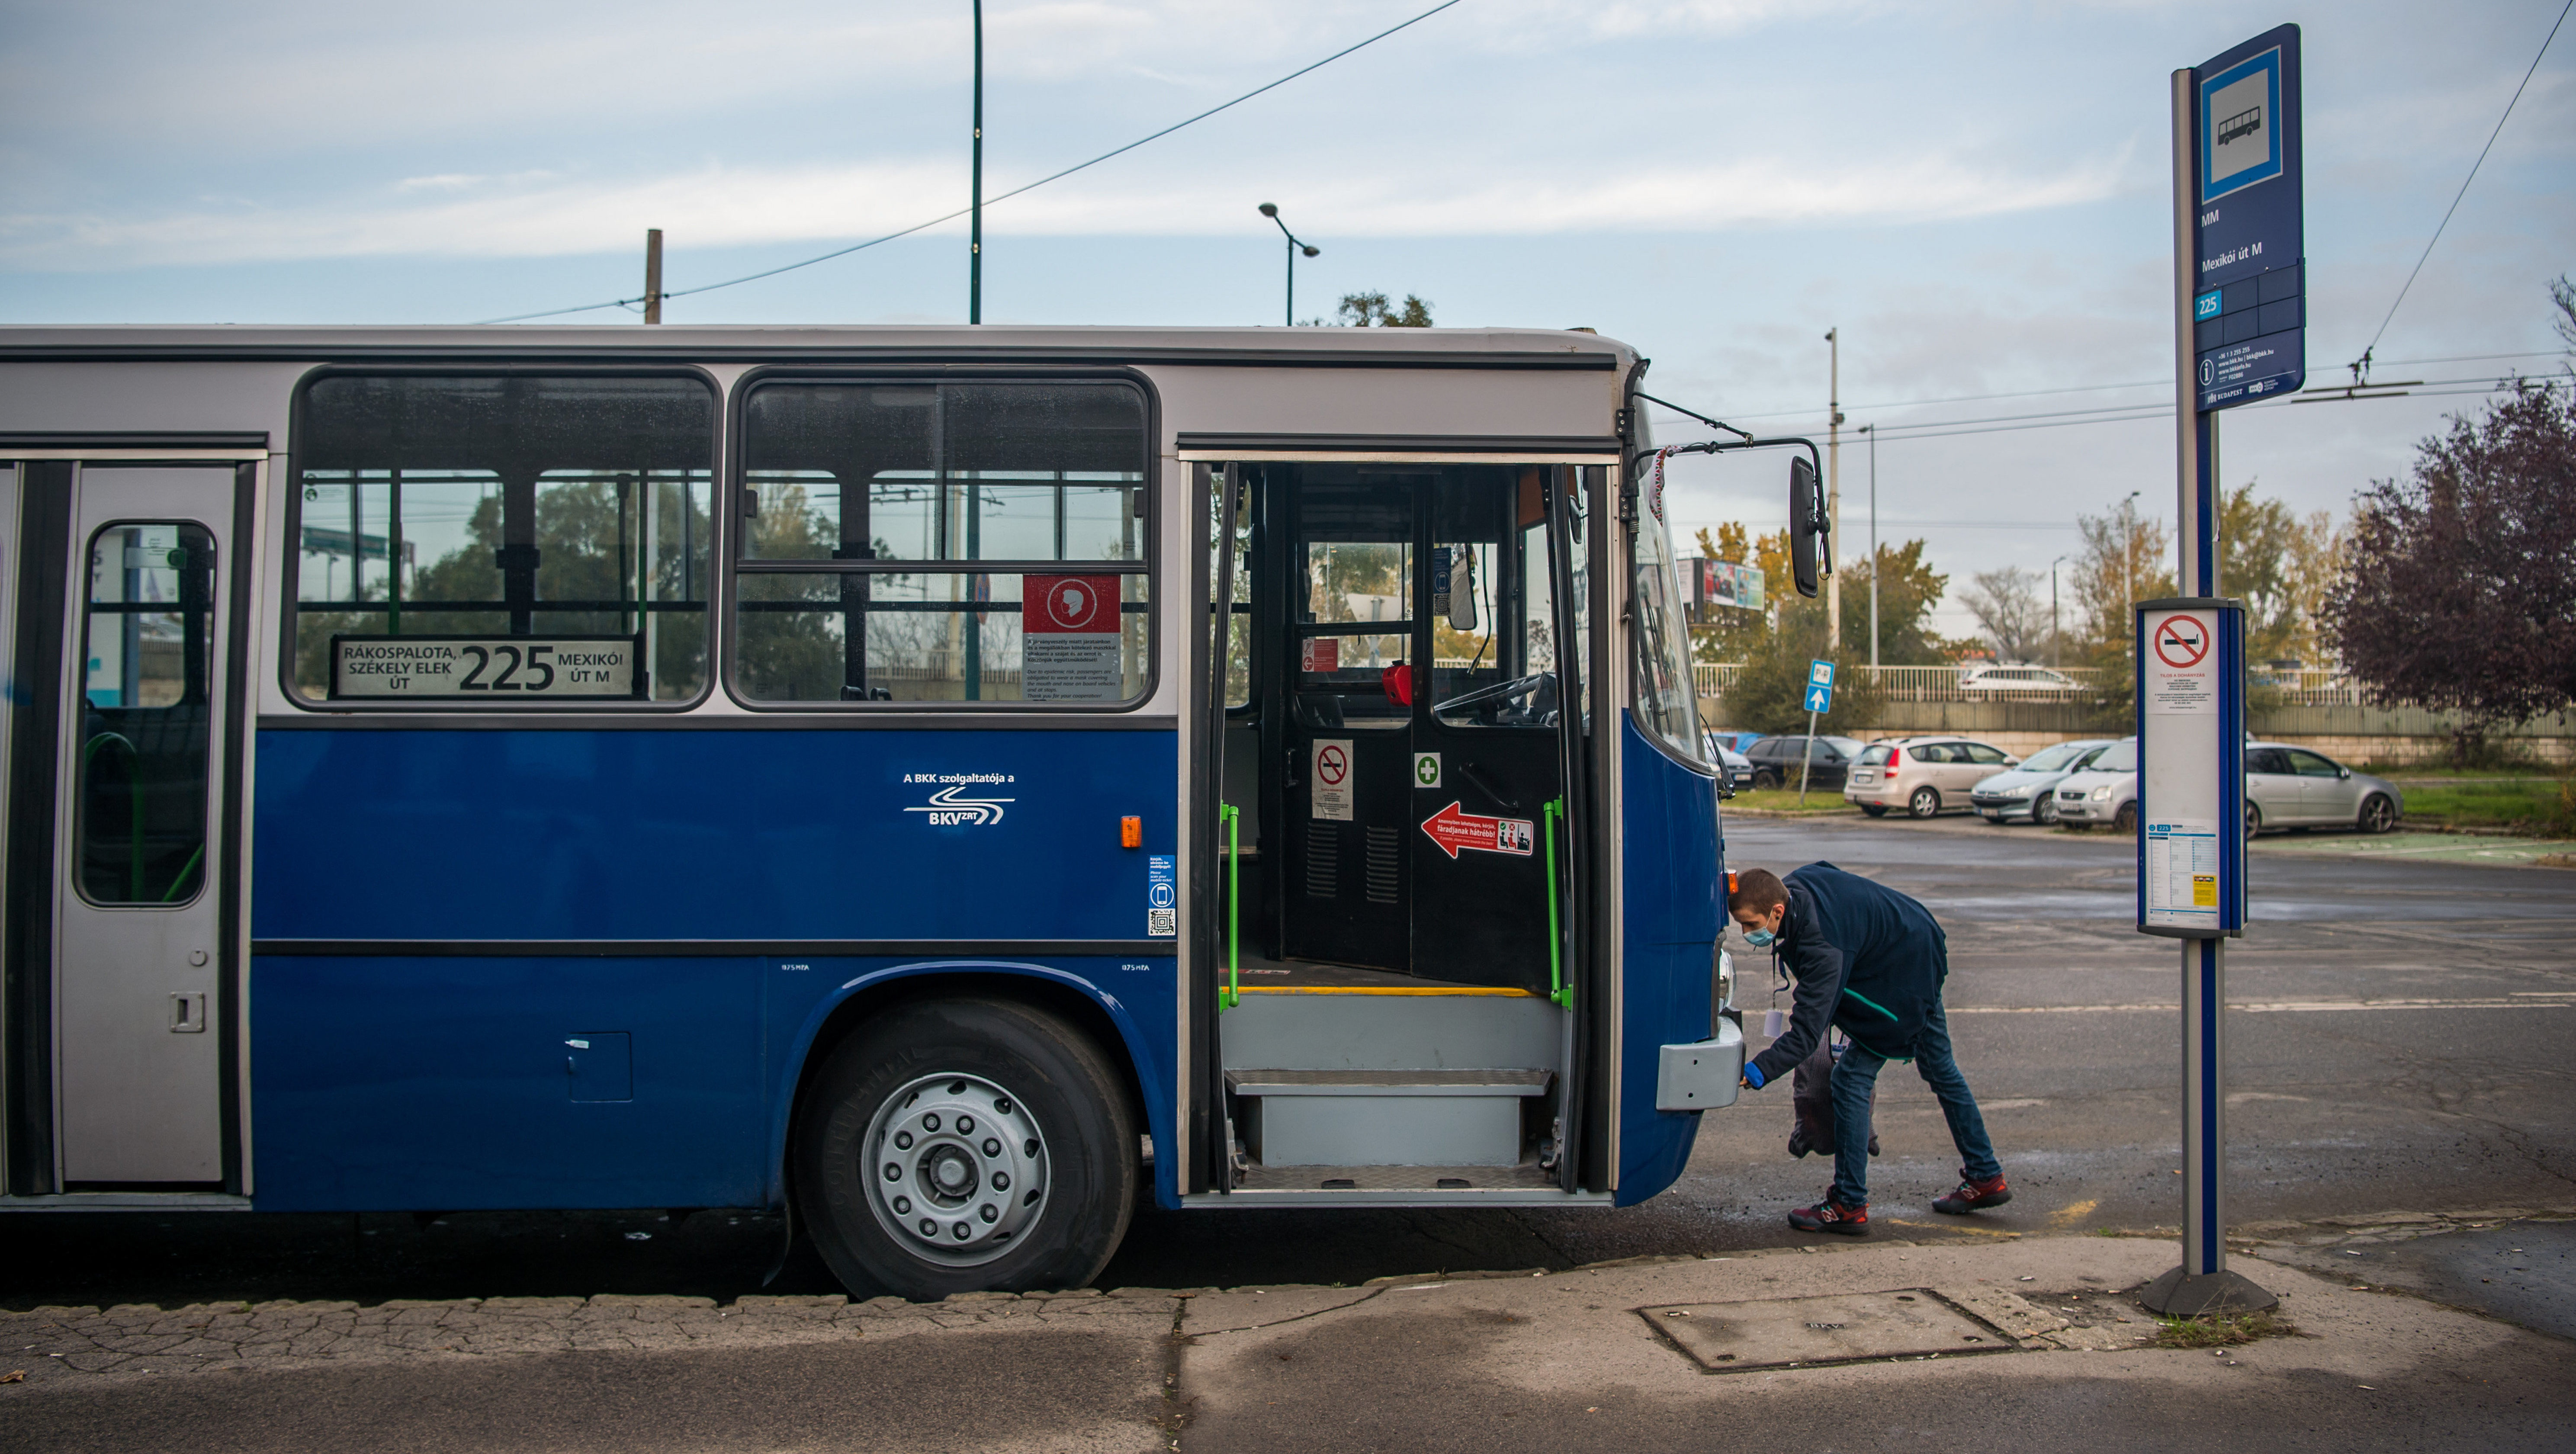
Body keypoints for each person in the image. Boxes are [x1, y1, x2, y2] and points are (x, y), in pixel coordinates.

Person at [1729, 863, 2007, 1236]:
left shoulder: (1823, 944)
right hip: (1914, 943)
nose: (1747, 933)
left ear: (1777, 911)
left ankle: (1848, 1203)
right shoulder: (1793, 889)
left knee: (1849, 1080)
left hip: (1904, 977)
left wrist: (1756, 1071)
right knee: (1941, 1068)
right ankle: (1986, 1175)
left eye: (1750, 924)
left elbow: (1807, 1032)